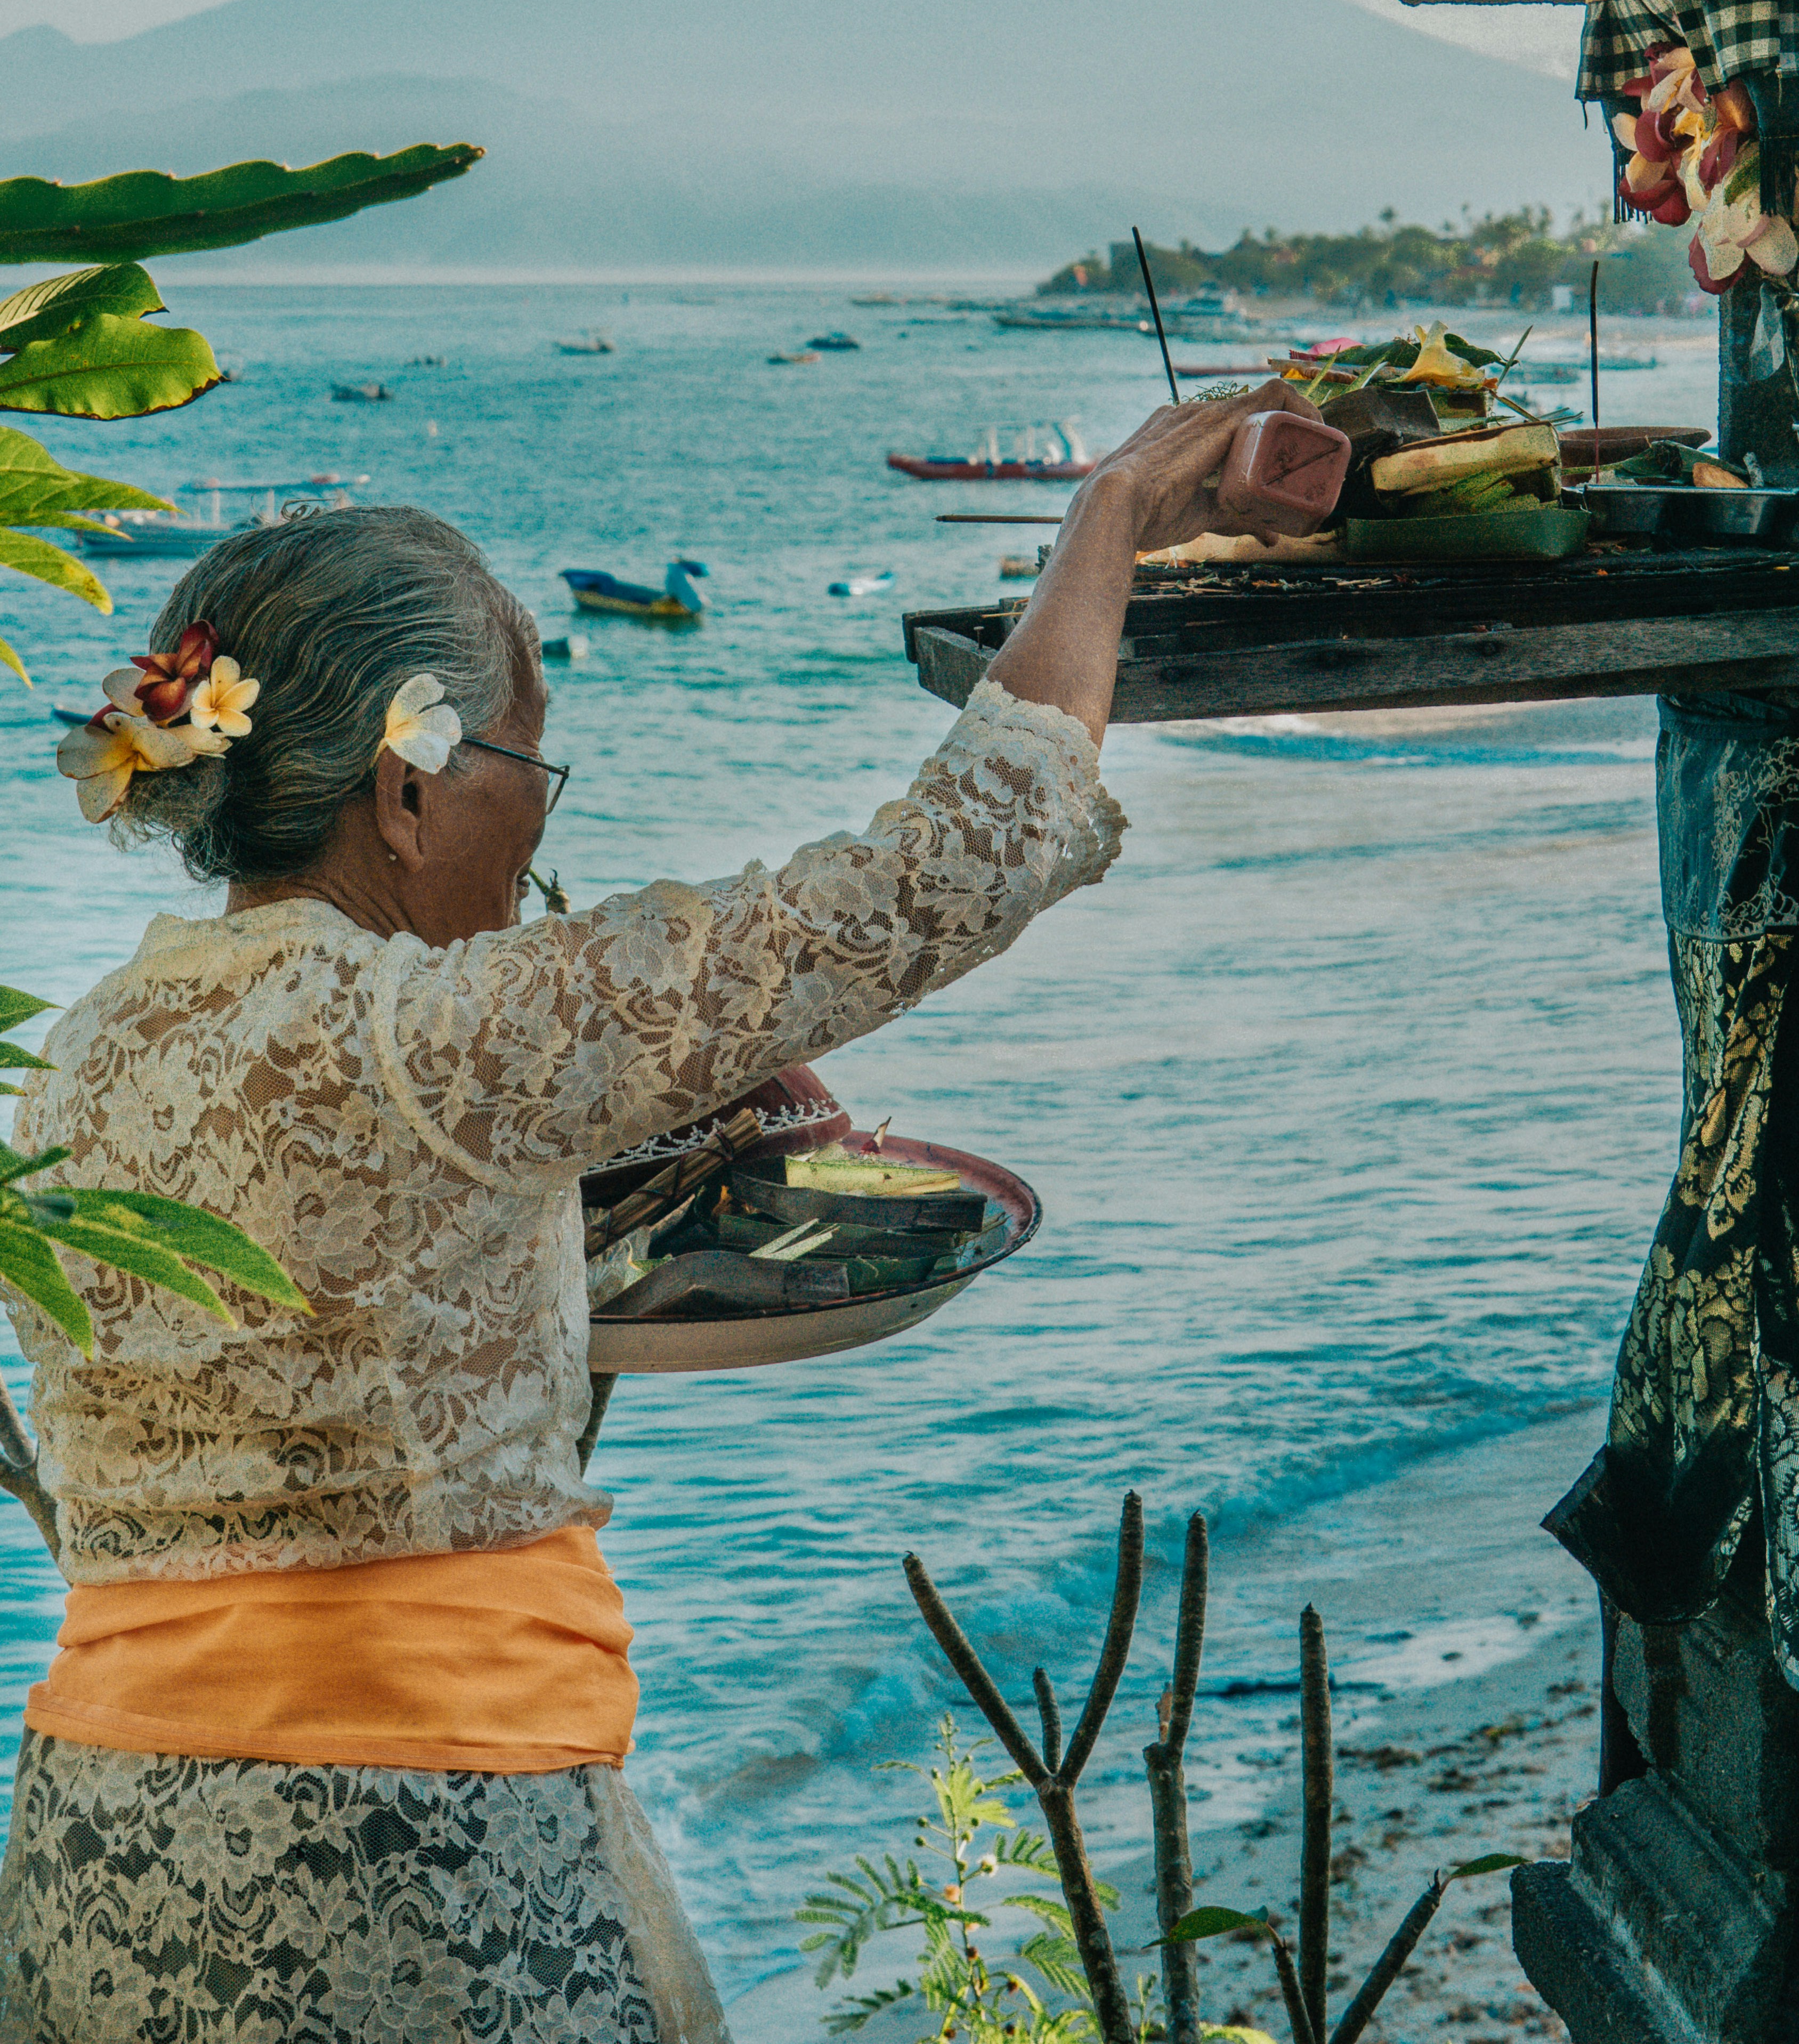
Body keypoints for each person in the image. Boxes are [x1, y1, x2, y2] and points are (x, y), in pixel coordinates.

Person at [0, 382, 1309, 2044]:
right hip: (405, 1859)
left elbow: (346, 1353)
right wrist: (1109, 517)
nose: (544, 813)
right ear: (407, 790)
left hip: (96, 1847)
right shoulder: (439, 1035)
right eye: (530, 765)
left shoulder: (85, 1055)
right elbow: (960, 858)